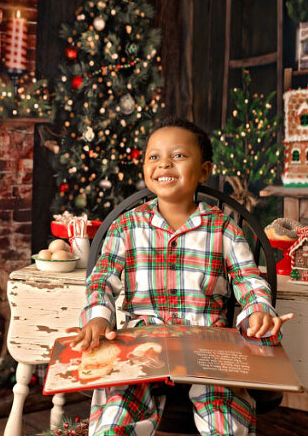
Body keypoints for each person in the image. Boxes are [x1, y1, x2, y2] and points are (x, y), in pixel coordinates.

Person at [70, 117, 293, 436]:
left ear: (204, 171)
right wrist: (98, 318)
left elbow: (251, 283)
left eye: (178, 155)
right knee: (115, 414)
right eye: (154, 157)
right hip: (141, 343)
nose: (164, 164)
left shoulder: (224, 229)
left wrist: (258, 313)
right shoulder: (126, 227)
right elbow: (101, 281)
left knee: (225, 420)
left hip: (208, 344)